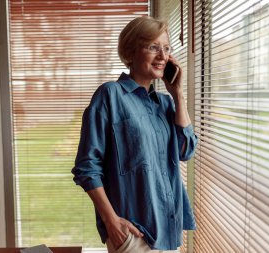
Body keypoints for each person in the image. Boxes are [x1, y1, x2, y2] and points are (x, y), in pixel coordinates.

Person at [71, 16, 198, 252]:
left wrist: (178, 94)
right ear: (130, 52)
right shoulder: (110, 95)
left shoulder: (166, 104)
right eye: (153, 47)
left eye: (166, 49)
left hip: (169, 230)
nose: (162, 56)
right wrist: (111, 221)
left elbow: (186, 150)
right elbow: (87, 168)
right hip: (134, 234)